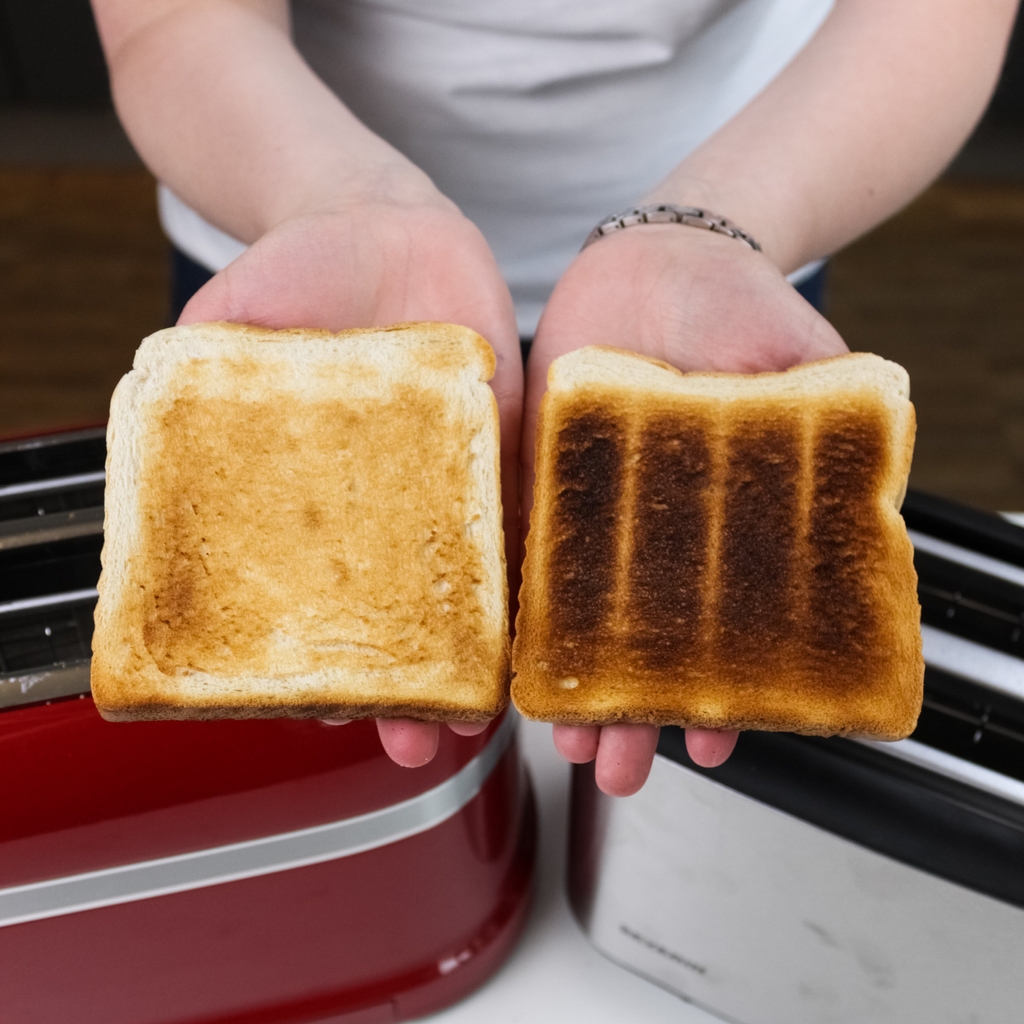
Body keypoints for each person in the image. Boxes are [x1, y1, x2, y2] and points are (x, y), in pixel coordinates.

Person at [92, 0, 1017, 796]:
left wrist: (721, 226)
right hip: (302, 232)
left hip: (751, 216)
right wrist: (339, 197)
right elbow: (179, 17)